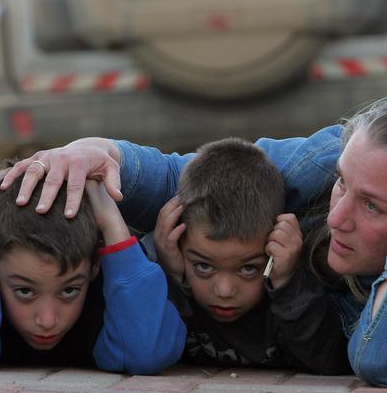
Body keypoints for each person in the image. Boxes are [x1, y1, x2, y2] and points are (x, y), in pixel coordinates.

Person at [1, 87, 387, 386]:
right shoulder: (348, 158)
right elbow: (193, 178)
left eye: (370, 207)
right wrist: (94, 153)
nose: (336, 216)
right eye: (342, 186)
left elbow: (385, 358)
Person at [0, 164, 186, 373]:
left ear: (94, 266)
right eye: (24, 291)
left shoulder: (114, 283)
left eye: (69, 291)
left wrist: (113, 223)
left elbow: (146, 354)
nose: (48, 320)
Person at [146, 137, 350, 374]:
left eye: (248, 269)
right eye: (203, 266)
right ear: (179, 246)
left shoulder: (292, 285)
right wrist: (170, 273)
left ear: (274, 247)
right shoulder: (162, 268)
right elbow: (148, 349)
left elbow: (329, 361)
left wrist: (287, 280)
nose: (224, 291)